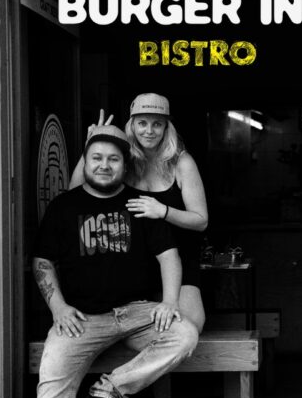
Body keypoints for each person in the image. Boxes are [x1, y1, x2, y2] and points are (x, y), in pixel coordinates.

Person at [24, 125, 198, 398]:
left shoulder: (139, 204)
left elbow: (169, 256)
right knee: (53, 374)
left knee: (183, 334)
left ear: (125, 165)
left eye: (113, 159)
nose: (104, 165)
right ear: (86, 162)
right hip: (81, 319)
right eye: (97, 158)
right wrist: (58, 307)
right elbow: (42, 261)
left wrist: (169, 302)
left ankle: (109, 389)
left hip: (136, 313)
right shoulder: (64, 207)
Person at [71, 92, 209, 333]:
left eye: (157, 124)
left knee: (189, 326)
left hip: (179, 260)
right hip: (132, 262)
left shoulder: (181, 162)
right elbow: (74, 195)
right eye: (142, 123)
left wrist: (163, 210)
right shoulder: (124, 160)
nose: (149, 131)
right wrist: (91, 145)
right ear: (132, 125)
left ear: (166, 128)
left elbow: (201, 221)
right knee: (128, 332)